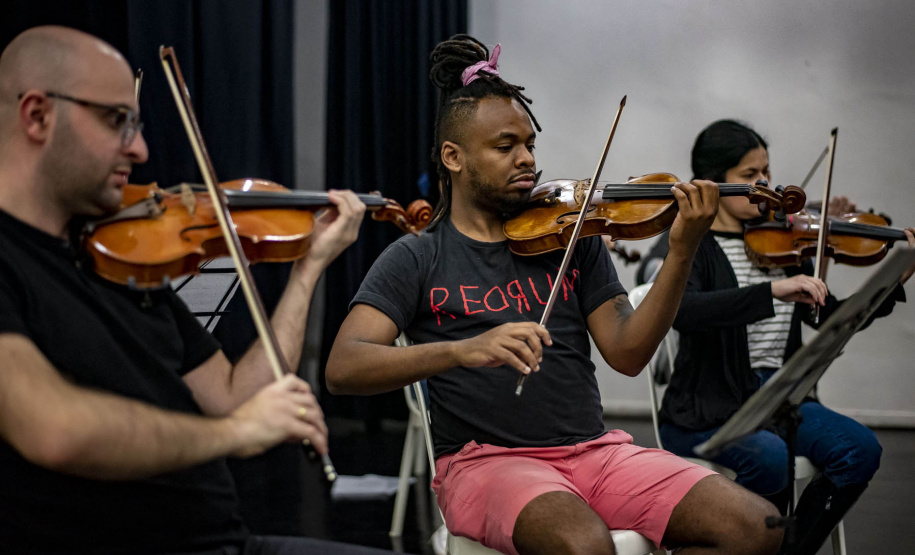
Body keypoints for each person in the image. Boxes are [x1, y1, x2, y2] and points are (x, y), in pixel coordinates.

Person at [327, 35, 783, 555]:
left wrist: (681, 251)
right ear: (453, 157)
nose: (526, 159)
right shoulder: (417, 257)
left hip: (596, 453)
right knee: (584, 546)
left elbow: (629, 354)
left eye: (530, 144)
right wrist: (460, 350)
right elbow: (343, 368)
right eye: (505, 147)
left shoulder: (574, 238)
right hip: (486, 463)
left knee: (756, 527)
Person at [0, 26, 393, 554]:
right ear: (38, 115)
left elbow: (235, 394)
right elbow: (53, 428)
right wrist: (235, 433)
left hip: (222, 541)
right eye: (117, 121)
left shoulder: (117, 257)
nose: (138, 149)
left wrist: (309, 268)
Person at [656, 119, 915, 555]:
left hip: (779, 399)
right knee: (771, 457)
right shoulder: (690, 244)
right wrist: (769, 291)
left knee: (860, 449)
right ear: (713, 183)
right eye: (749, 176)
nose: (765, 186)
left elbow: (833, 317)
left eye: (767, 173)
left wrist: (894, 278)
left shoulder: (782, 241)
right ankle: (754, 541)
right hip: (708, 407)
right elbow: (683, 312)